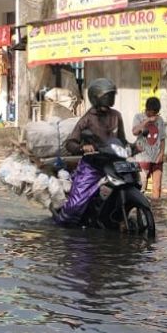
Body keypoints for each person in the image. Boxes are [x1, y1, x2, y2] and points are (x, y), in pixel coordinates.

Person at [54, 78, 126, 225]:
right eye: (107, 96)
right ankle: (62, 223)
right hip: (92, 166)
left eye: (111, 96)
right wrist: (82, 147)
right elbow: (70, 143)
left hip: (113, 164)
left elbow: (122, 140)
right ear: (96, 98)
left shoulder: (116, 116)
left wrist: (134, 146)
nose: (110, 99)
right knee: (73, 208)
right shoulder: (87, 119)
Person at [132, 96, 167, 199]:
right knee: (141, 187)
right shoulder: (138, 117)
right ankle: (140, 210)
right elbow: (134, 132)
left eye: (156, 112)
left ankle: (155, 211)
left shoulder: (160, 120)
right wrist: (147, 120)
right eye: (152, 112)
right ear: (147, 109)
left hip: (156, 158)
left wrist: (161, 154)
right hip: (142, 158)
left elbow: (162, 139)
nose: (154, 115)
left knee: (157, 188)